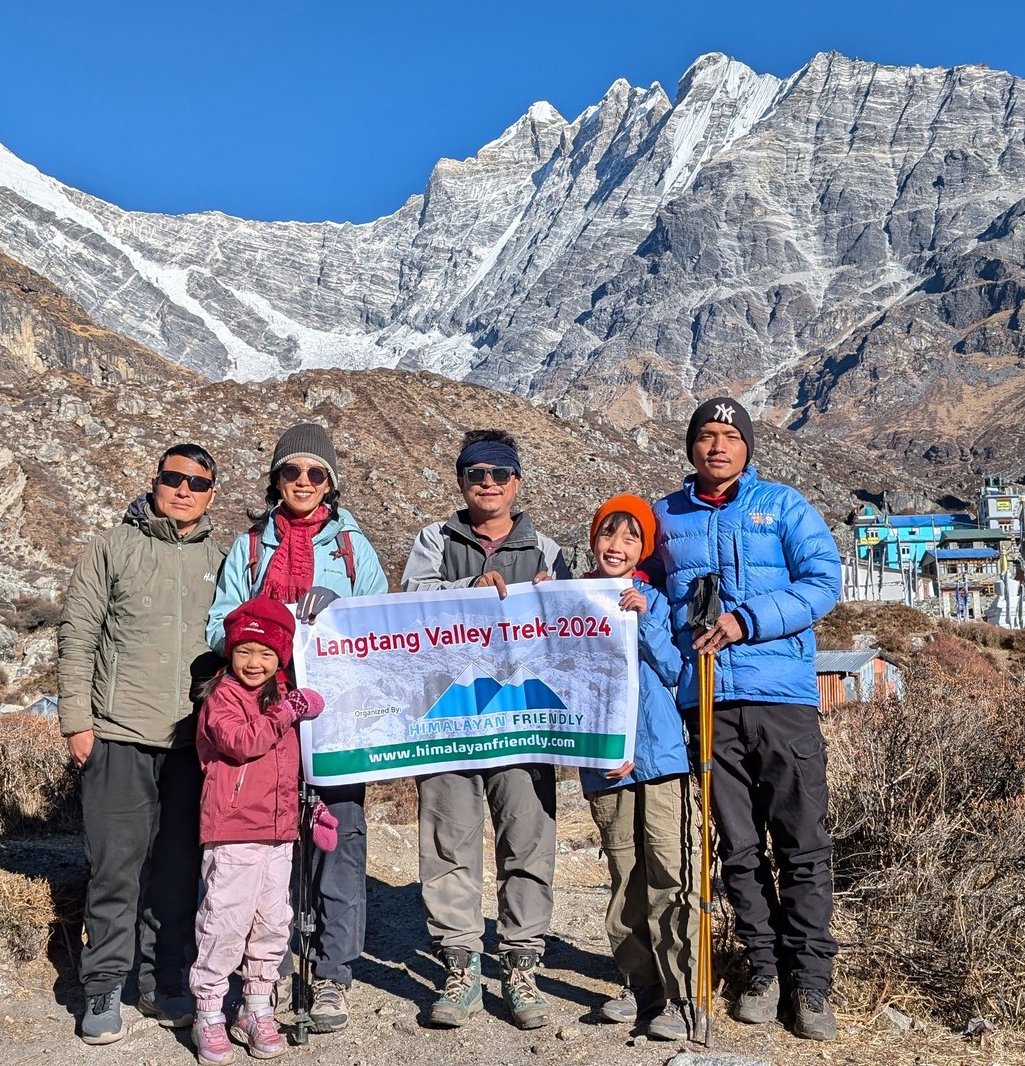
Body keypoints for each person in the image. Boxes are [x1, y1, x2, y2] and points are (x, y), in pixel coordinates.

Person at [651, 398, 844, 1042]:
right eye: (706, 436)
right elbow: (639, 582)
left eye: (730, 436)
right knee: (736, 845)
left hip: (780, 699)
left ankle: (810, 983)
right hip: (706, 700)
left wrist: (747, 620)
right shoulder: (665, 517)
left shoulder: (785, 506)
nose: (717, 447)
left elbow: (823, 582)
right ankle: (763, 971)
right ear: (691, 446)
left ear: (747, 446)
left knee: (800, 841)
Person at [206, 421, 389, 1033]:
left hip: (336, 717)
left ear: (330, 483)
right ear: (276, 480)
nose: (303, 482)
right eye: (292, 471)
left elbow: (381, 621)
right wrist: (270, 624)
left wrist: (338, 616)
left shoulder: (352, 549)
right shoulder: (249, 547)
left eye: (315, 473)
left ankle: (333, 975)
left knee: (339, 841)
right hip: (265, 719)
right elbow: (217, 625)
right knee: (270, 842)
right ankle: (268, 975)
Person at [400, 428, 572, 1030]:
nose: (489, 484)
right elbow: (408, 605)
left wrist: (563, 600)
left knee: (527, 839)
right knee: (448, 841)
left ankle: (521, 964)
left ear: (517, 482)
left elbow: (576, 632)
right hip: (449, 718)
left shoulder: (546, 550)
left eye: (500, 474)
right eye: (477, 475)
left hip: (524, 720)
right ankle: (460, 964)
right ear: (462, 481)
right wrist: (463, 591)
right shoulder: (434, 540)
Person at [57, 443, 226, 1045]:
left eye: (198, 483)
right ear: (155, 481)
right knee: (114, 866)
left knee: (179, 868)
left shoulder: (219, 558)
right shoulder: (112, 547)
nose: (184, 490)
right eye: (173, 478)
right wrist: (78, 720)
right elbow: (77, 634)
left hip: (191, 743)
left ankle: (165, 977)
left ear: (211, 494)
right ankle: (102, 984)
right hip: (119, 734)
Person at [189, 597, 330, 1064]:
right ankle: (208, 1012)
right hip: (233, 831)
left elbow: (290, 767)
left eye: (267, 654)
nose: (255, 663)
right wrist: (288, 710)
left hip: (278, 834)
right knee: (225, 921)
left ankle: (255, 1007)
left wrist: (311, 811)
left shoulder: (280, 696)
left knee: (273, 923)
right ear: (230, 652)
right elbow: (243, 742)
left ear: (281, 657)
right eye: (246, 651)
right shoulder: (220, 697)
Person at [578, 495, 694, 1041]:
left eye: (629, 538)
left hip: (661, 754)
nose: (616, 546)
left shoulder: (656, 599)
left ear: (644, 547)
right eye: (608, 534)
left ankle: (680, 993)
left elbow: (675, 669)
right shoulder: (575, 601)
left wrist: (646, 619)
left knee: (669, 872)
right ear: (593, 539)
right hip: (607, 763)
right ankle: (638, 984)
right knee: (625, 873)